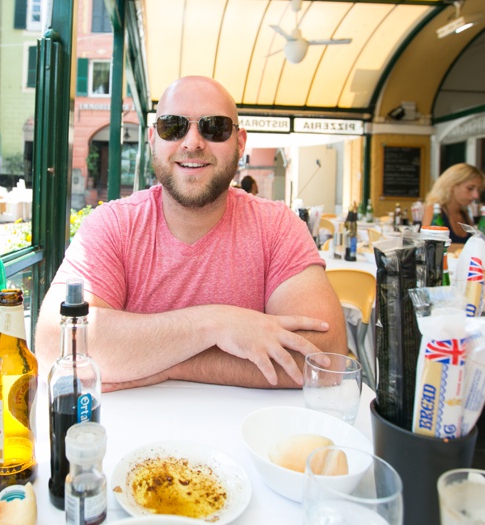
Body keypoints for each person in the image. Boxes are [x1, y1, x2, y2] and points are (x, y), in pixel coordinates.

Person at [34, 76, 346, 392]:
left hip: (245, 437)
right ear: (153, 139)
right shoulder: (112, 224)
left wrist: (168, 363)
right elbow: (54, 343)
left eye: (215, 127)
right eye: (173, 126)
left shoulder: (277, 226)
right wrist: (216, 324)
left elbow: (325, 358)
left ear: (240, 143)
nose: (193, 142)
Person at [421, 163, 485, 244]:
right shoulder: (434, 210)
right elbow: (431, 247)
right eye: (470, 188)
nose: (476, 195)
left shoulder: (464, 213)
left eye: (479, 190)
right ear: (452, 186)